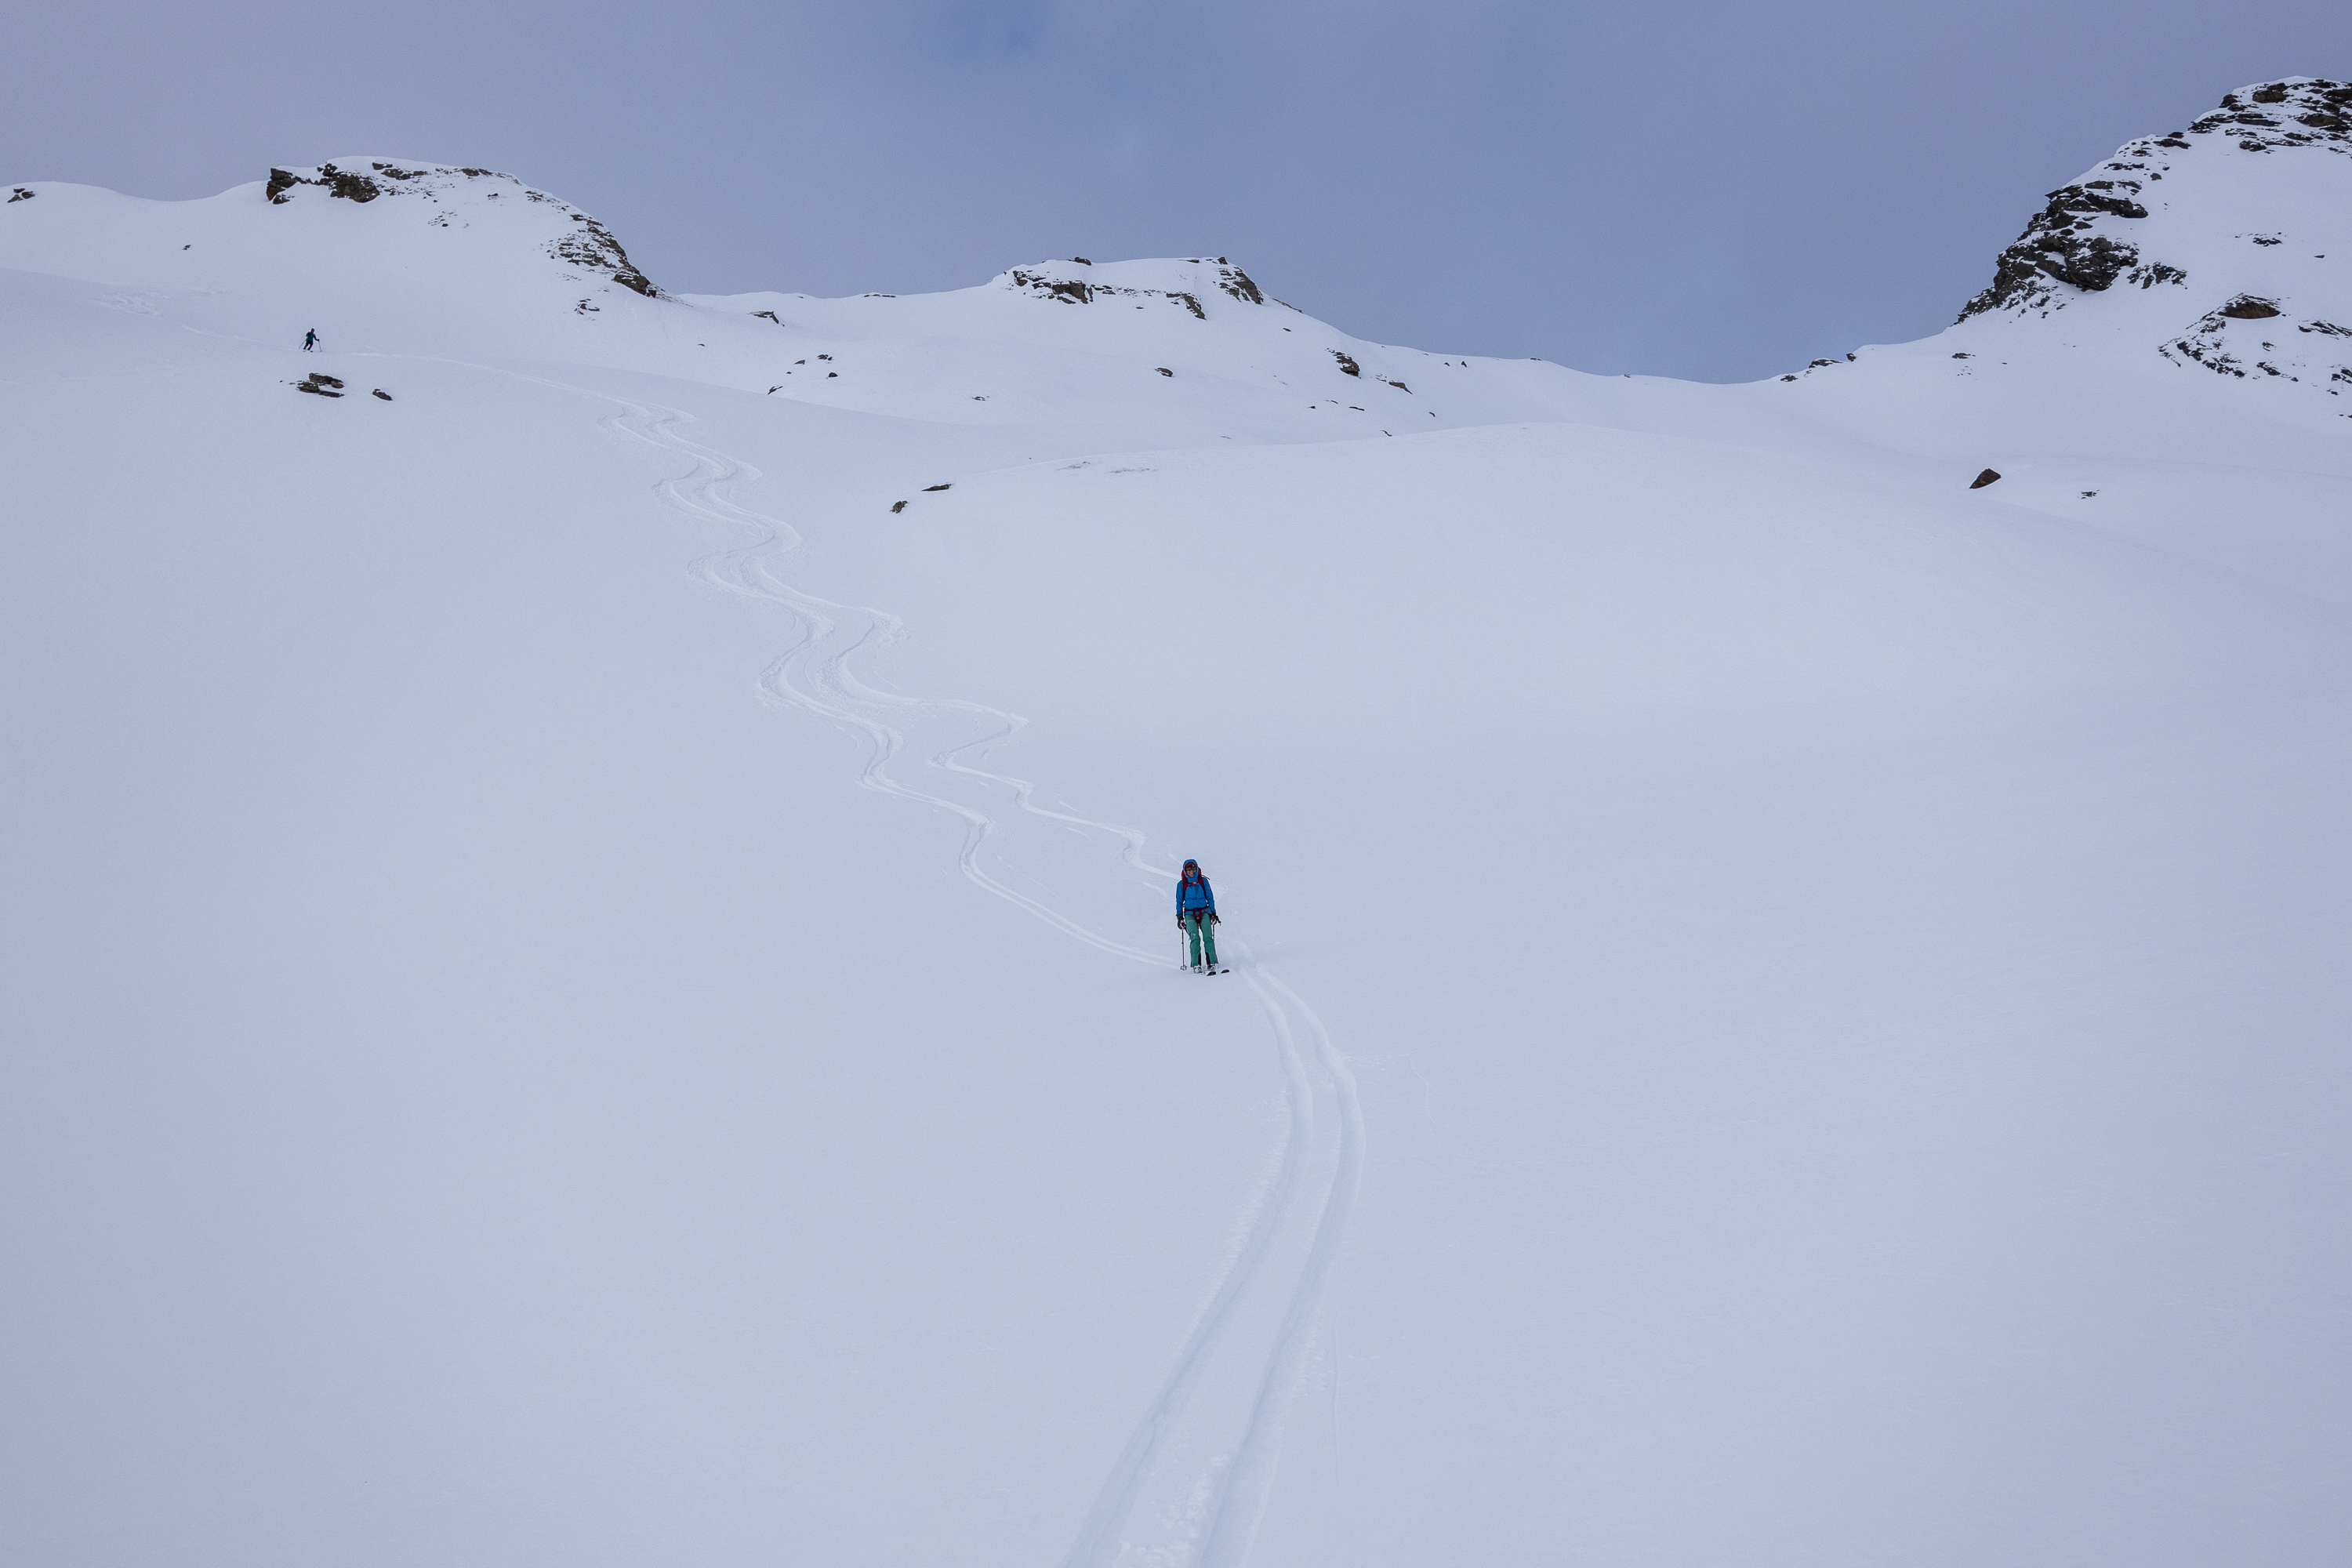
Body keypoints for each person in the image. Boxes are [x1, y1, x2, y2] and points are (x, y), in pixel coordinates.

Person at [1176, 859, 1220, 972]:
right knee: (1195, 938)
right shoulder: (1182, 885)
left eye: (1194, 868)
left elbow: (1210, 897)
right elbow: (1179, 901)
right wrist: (1180, 918)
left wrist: (1213, 913)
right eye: (1189, 869)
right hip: (1190, 914)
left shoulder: (1203, 881)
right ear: (1185, 870)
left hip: (1204, 912)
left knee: (1208, 937)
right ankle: (1196, 964)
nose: (1192, 871)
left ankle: (1212, 962)